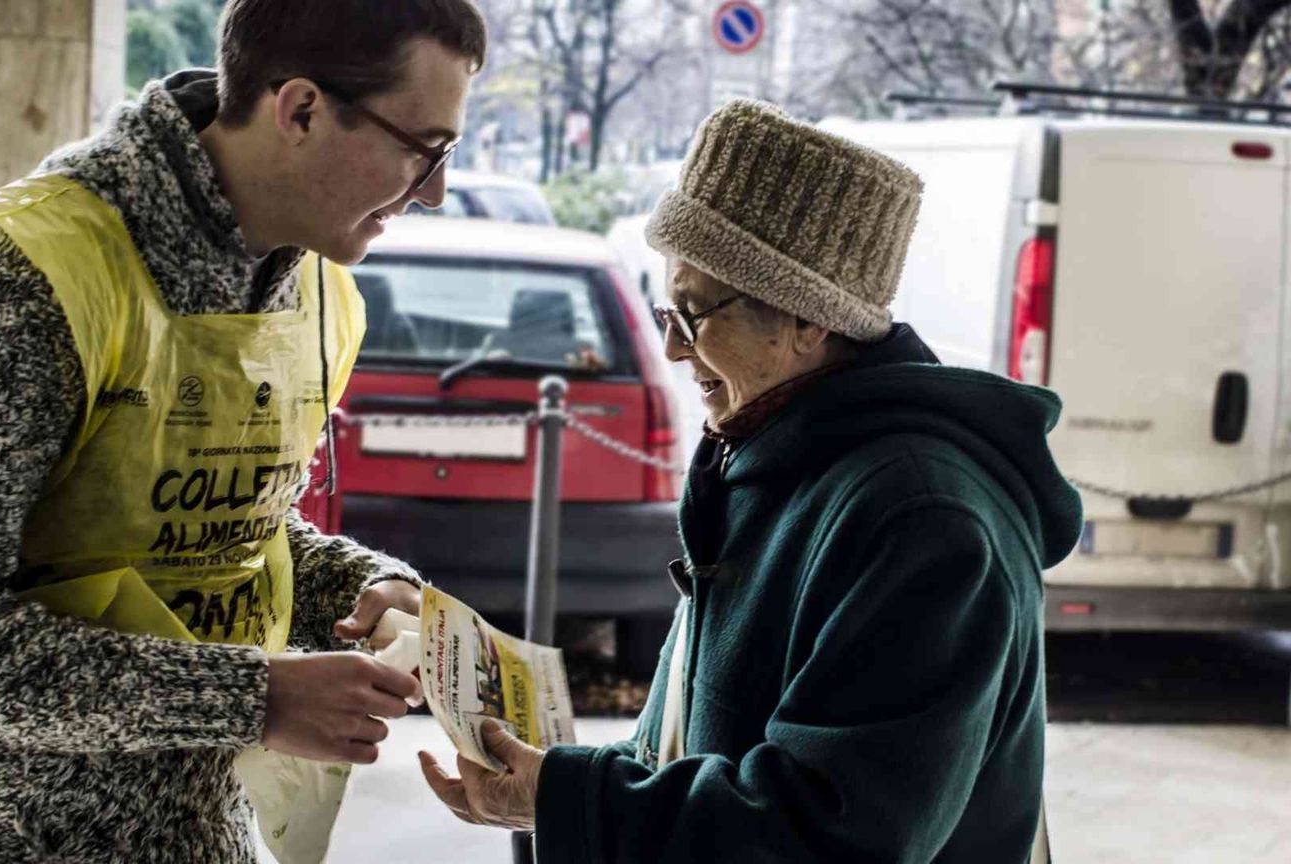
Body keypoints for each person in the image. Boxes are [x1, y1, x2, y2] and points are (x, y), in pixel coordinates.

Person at [0, 1, 486, 861]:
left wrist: (365, 588)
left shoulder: (308, 277)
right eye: (423, 148)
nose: (435, 190)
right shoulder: (26, 278)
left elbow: (212, 533)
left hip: (203, 832)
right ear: (298, 110)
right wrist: (250, 699)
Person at [421, 99, 1082, 863]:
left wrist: (563, 797)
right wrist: (562, 784)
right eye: (666, 310)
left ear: (810, 320)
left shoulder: (924, 519)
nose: (672, 349)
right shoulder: (770, 446)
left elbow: (833, 835)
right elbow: (692, 740)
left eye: (696, 314)